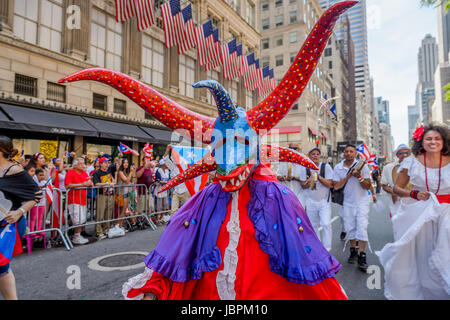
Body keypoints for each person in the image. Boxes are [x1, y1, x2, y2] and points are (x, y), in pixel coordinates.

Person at [376, 124, 450, 300]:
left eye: (437, 138)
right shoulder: (412, 161)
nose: (433, 142)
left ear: (444, 141)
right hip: (422, 214)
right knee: (425, 257)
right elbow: (396, 188)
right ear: (421, 142)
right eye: (429, 139)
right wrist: (414, 193)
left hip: (447, 213)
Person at [0, 136, 41, 300]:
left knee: (2, 267)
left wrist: (20, 212)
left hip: (10, 223)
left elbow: (37, 194)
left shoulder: (14, 170)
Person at [332, 145, 372, 272]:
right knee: (350, 229)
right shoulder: (338, 167)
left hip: (362, 202)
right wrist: (348, 176)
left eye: (351, 151)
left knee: (362, 227)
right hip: (348, 203)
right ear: (343, 153)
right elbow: (336, 186)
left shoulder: (362, 166)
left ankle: (362, 255)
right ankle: (353, 250)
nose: (348, 153)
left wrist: (359, 176)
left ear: (355, 154)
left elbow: (367, 185)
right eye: (346, 151)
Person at [300, 148, 334, 251]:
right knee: (313, 226)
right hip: (310, 201)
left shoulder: (325, 167)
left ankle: (327, 249)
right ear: (309, 156)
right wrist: (309, 180)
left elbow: (330, 184)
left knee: (326, 223)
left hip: (324, 201)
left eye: (317, 154)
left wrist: (319, 177)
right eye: (313, 154)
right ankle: (317, 248)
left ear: (320, 156)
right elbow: (303, 185)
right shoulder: (304, 168)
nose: (315, 156)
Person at [65, 158, 93, 245]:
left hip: (83, 199)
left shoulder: (84, 173)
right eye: (81, 164)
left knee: (82, 218)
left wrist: (90, 183)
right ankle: (76, 236)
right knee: (77, 219)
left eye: (83, 163)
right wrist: (82, 184)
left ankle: (78, 235)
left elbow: (89, 181)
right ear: (75, 165)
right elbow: (67, 185)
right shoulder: (70, 172)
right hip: (73, 199)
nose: (83, 165)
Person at [380, 144, 411, 217]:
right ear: (397, 155)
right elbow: (384, 185)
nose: (404, 155)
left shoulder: (416, 166)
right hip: (396, 200)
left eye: (407, 153)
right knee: (398, 223)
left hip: (412, 199)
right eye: (401, 153)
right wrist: (394, 193)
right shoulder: (388, 167)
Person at [163, 145, 191, 218]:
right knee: (173, 211)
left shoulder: (185, 165)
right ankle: (172, 228)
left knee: (189, 210)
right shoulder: (173, 166)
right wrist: (167, 149)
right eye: (173, 155)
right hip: (176, 191)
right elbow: (165, 159)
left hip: (185, 191)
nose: (174, 157)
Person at [92, 157, 115, 240]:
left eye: (108, 163)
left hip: (110, 194)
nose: (107, 164)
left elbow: (112, 181)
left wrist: (112, 182)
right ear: (101, 164)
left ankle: (106, 229)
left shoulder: (109, 171)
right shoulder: (97, 173)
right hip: (101, 194)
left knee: (108, 213)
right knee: (100, 214)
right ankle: (98, 232)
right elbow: (96, 184)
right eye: (105, 163)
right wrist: (106, 184)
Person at [115, 158, 135, 235]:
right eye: (124, 163)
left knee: (123, 211)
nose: (126, 164)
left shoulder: (125, 172)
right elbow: (126, 180)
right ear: (121, 164)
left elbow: (129, 181)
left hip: (127, 193)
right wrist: (131, 172)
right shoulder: (120, 172)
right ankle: (118, 226)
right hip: (121, 194)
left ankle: (120, 225)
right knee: (121, 211)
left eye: (127, 162)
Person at [154, 159, 170, 225]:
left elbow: (168, 179)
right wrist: (164, 182)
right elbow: (157, 181)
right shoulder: (158, 170)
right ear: (163, 164)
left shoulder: (167, 171)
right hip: (159, 190)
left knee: (165, 204)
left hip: (165, 190)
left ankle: (162, 217)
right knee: (158, 206)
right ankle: (157, 219)